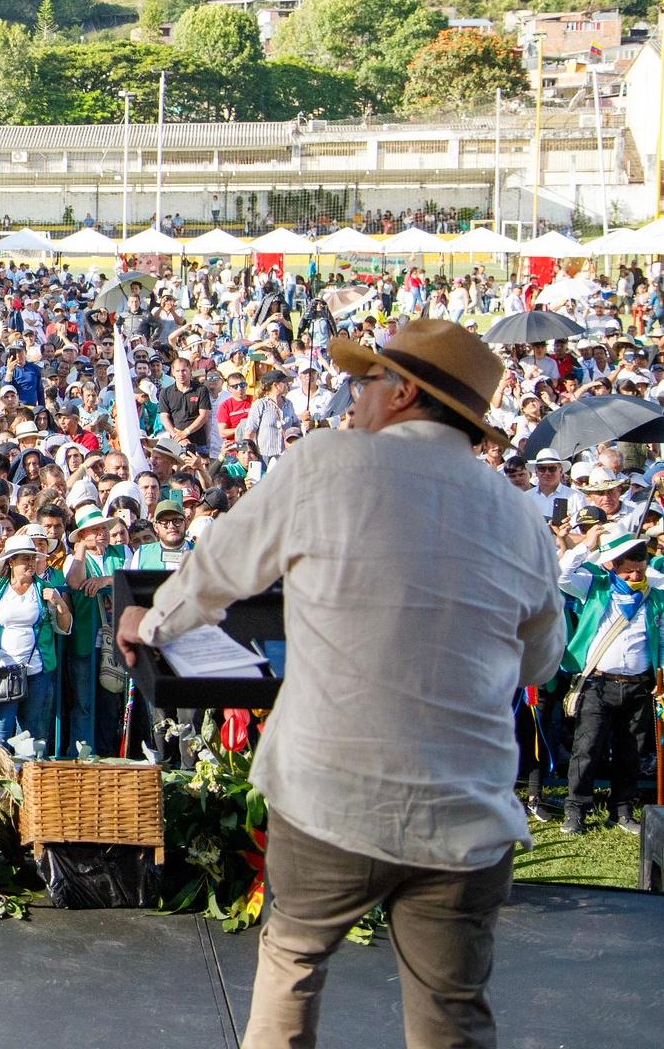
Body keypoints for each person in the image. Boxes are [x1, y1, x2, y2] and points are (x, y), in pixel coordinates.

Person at [118, 318, 564, 1049]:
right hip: (466, 812)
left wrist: (150, 621)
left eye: (364, 382)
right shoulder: (521, 517)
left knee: (292, 967)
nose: (349, 398)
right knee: (452, 1018)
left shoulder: (328, 462)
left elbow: (220, 567)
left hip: (334, 791)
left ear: (404, 393)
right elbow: (539, 664)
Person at [554, 528, 657, 836]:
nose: (635, 576)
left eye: (639, 570)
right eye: (629, 572)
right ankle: (576, 810)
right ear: (614, 566)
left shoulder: (654, 592)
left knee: (630, 752)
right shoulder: (595, 586)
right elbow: (561, 576)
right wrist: (586, 545)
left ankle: (622, 810)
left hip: (639, 685)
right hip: (598, 685)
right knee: (587, 749)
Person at [0, 532, 71, 746]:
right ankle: (2, 777)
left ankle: (27, 776)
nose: (31, 562)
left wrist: (59, 604)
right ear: (11, 562)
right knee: (1, 731)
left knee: (31, 731)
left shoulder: (44, 589)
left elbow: (64, 627)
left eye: (32, 557)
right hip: (4, 670)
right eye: (24, 558)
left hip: (37, 668)